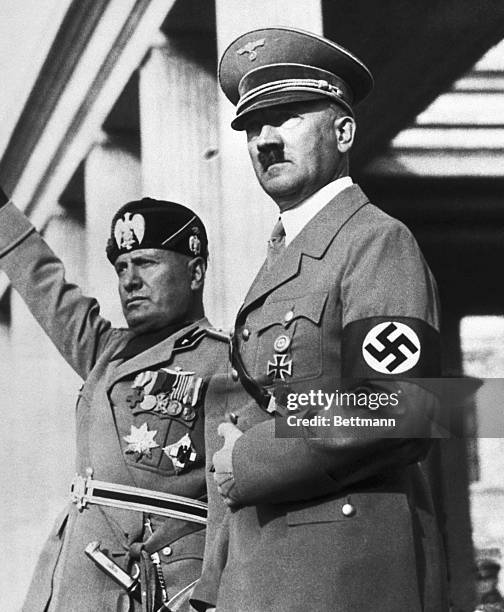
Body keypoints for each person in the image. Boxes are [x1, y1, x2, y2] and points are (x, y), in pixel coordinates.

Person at [0, 90, 228, 612]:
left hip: (163, 590)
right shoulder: (106, 353)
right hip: (81, 579)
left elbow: (246, 494)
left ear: (195, 271)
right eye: (122, 268)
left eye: (147, 263)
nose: (130, 281)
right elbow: (42, 281)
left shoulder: (225, 362)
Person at [191, 27, 447, 612]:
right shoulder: (284, 257)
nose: (266, 140)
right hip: (265, 578)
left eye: (289, 117)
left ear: (344, 131)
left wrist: (250, 461)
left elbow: (400, 404)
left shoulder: (374, 242)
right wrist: (213, 586)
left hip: (341, 577)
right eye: (255, 126)